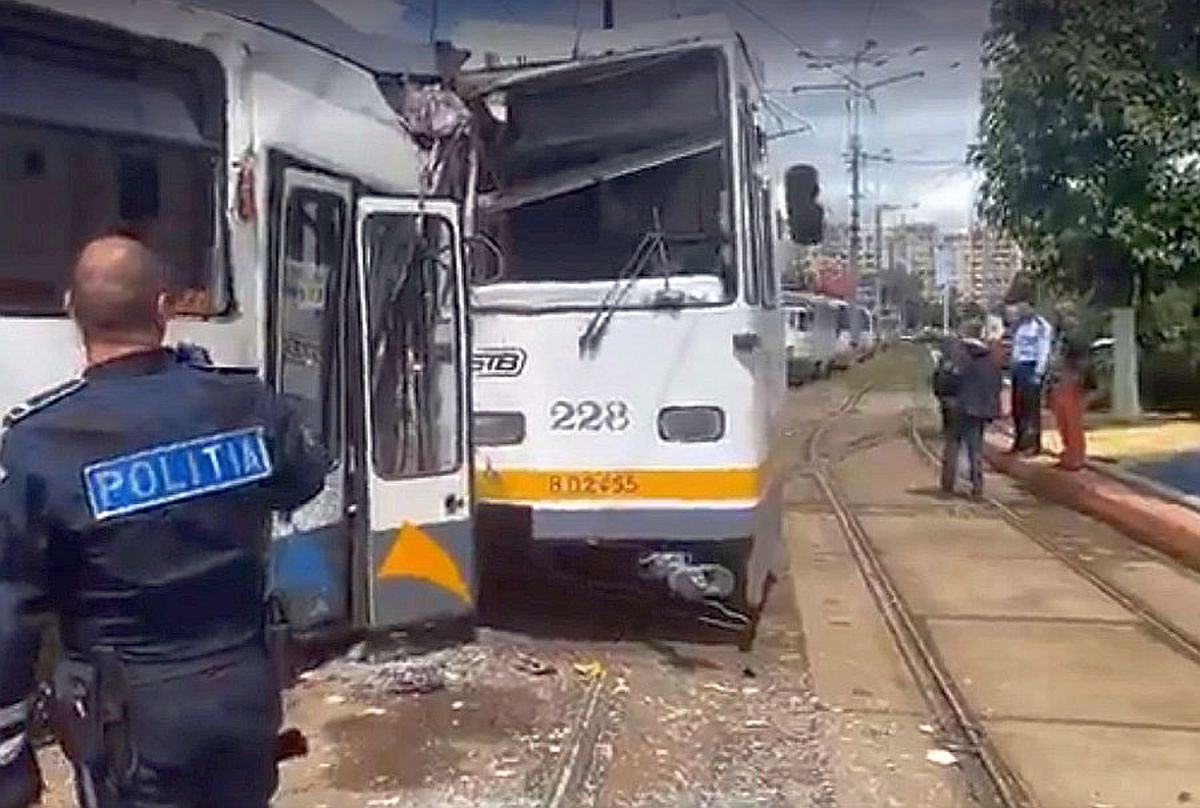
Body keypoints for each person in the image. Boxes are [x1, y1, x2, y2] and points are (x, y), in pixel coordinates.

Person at [0, 235, 329, 807]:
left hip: (131, 720)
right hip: (245, 698)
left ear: (71, 312)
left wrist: (7, 752)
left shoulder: (40, 444)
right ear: (165, 308)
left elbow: (9, 612)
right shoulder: (244, 403)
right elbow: (303, 479)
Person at [941, 324, 1003, 498]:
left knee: (953, 445)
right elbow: (996, 387)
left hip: (959, 407)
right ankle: (977, 486)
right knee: (975, 449)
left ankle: (948, 483)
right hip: (981, 411)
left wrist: (946, 398)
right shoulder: (991, 361)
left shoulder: (960, 357)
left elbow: (947, 381)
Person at [1009, 301, 1054, 455]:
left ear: (1033, 308)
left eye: (1025, 308)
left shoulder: (1041, 326)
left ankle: (1033, 444)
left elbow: (1044, 350)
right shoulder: (1019, 325)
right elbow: (1015, 347)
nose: (1021, 311)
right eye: (1020, 308)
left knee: (1031, 409)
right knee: (1017, 408)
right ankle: (1019, 441)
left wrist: (1039, 372)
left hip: (1032, 367)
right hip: (1018, 367)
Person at [1049, 305, 1090, 471]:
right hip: (1061, 378)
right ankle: (1068, 452)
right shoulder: (1061, 334)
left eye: (1062, 316)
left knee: (1072, 420)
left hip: (1071, 378)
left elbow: (1083, 360)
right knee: (1063, 419)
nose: (1060, 319)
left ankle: (1076, 456)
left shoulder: (1076, 335)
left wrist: (1079, 378)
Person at [930, 335, 960, 435]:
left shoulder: (943, 359)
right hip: (953, 391)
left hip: (946, 390)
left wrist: (937, 391)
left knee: (946, 410)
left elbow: (937, 377)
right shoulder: (959, 356)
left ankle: (948, 429)